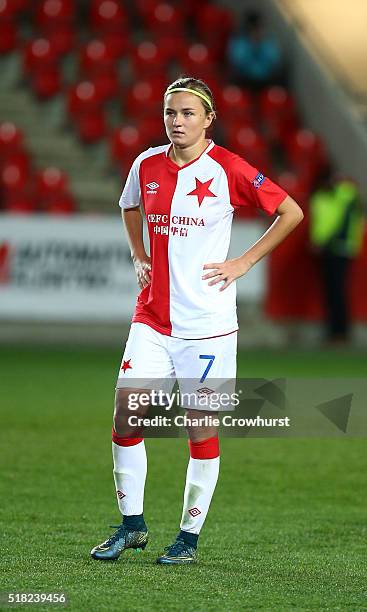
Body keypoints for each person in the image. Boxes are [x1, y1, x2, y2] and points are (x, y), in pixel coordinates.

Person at [90, 76, 303, 565]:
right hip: (152, 319)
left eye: (188, 113)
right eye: (170, 113)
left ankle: (188, 538)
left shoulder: (228, 168)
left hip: (207, 327)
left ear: (208, 119)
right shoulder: (146, 164)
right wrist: (138, 253)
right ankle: (132, 527)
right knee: (125, 422)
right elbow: (129, 206)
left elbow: (290, 211)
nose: (177, 122)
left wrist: (244, 263)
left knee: (200, 432)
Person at [310, 172, 364, 344]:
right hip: (327, 250)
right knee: (332, 291)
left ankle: (340, 332)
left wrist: (325, 241)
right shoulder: (320, 197)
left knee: (337, 291)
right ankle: (335, 331)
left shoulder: (346, 194)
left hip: (340, 248)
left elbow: (345, 221)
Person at [227, 10, 285, 90]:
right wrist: (252, 47)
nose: (259, 31)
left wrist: (260, 46)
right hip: (245, 78)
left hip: (266, 79)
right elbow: (237, 61)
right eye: (256, 28)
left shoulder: (268, 40)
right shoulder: (239, 41)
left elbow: (275, 60)